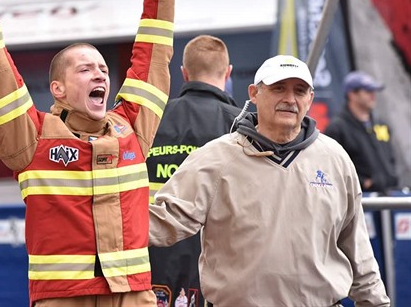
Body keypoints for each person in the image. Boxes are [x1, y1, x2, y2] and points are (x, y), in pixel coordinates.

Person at [0, 0, 225, 306]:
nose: (100, 75)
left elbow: (152, 61)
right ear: (58, 89)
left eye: (102, 68)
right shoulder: (31, 139)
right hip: (64, 298)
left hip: (134, 295)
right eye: (85, 70)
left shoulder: (131, 130)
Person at [148, 55, 390, 306]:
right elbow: (167, 219)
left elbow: (358, 251)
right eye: (278, 88)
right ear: (254, 93)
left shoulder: (335, 159)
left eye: (299, 90)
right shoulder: (216, 158)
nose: (289, 99)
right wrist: (106, 227)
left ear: (310, 99)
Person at [146, 35, 241, 306]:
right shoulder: (242, 126)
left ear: (184, 73)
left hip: (153, 264)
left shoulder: (151, 120)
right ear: (229, 71)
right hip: (217, 270)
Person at [325, 71, 398, 193]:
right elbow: (330, 167)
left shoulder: (381, 124)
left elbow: (390, 159)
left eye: (374, 91)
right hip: (361, 200)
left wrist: (391, 177)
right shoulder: (337, 128)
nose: (373, 95)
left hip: (389, 195)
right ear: (352, 95)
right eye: (368, 91)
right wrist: (363, 183)